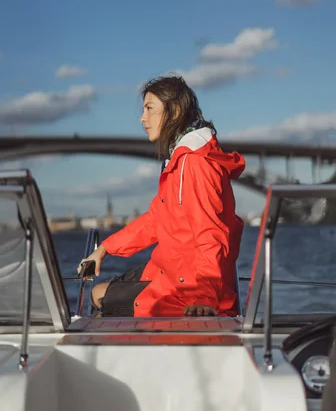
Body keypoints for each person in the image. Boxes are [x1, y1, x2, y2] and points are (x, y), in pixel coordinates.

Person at [78, 75, 245, 318]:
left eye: (149, 109)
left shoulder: (195, 163)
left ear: (175, 111)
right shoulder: (179, 160)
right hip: (169, 270)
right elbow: (156, 220)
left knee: (98, 298)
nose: (142, 118)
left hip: (188, 288)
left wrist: (204, 298)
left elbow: (211, 234)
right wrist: (104, 248)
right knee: (97, 294)